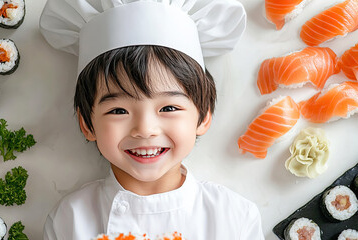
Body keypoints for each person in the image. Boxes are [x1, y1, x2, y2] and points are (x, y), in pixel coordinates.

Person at [39, 0, 265, 239]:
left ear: (203, 116)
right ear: (87, 123)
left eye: (168, 107)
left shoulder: (235, 217)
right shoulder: (69, 219)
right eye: (118, 111)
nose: (145, 129)